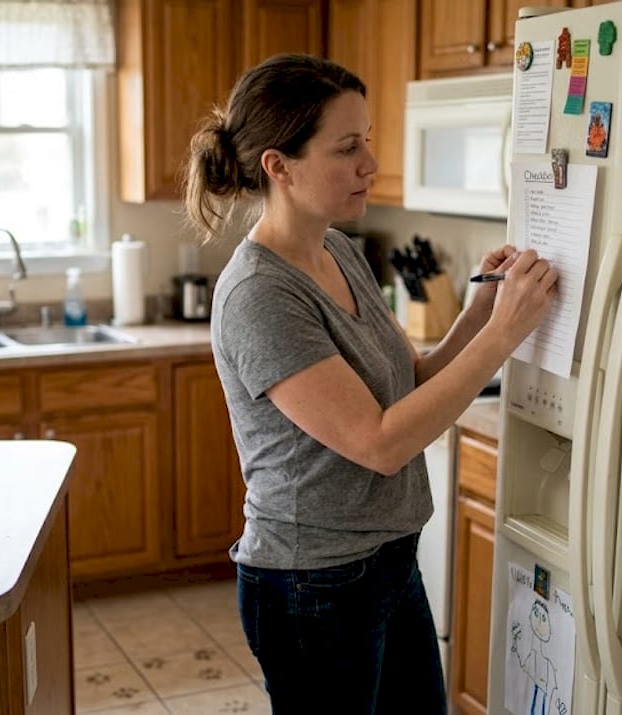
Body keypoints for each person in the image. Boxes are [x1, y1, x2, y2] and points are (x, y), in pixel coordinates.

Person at [183, 53, 558, 713]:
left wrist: (480, 311)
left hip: (387, 560)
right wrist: (503, 336)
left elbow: (409, 383)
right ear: (279, 166)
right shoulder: (259, 294)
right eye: (347, 147)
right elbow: (380, 442)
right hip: (312, 587)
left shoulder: (339, 250)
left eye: (368, 140)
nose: (371, 163)